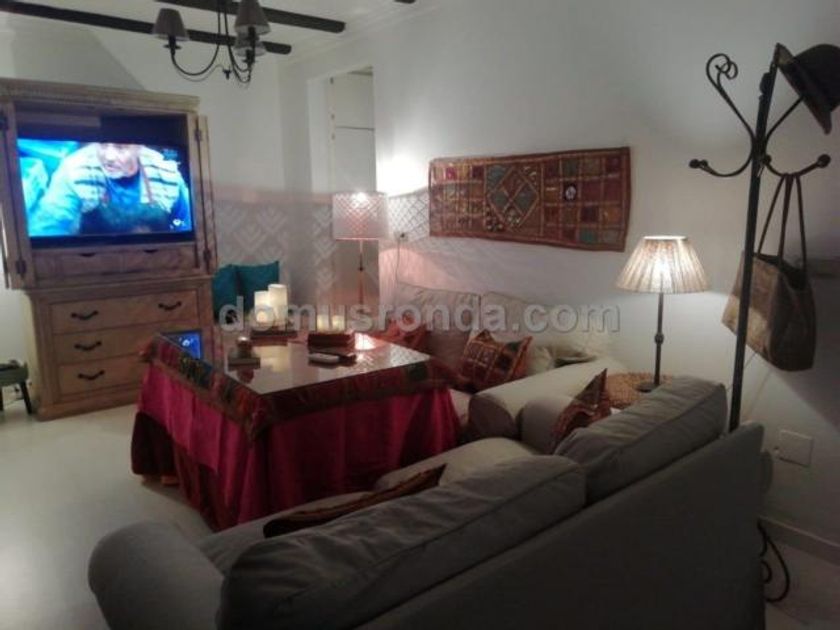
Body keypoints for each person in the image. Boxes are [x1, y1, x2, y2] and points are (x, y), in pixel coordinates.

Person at [28, 143, 192, 237]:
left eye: (120, 147)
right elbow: (46, 229)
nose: (109, 157)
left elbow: (187, 224)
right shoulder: (74, 169)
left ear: (139, 147)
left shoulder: (165, 172)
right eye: (103, 145)